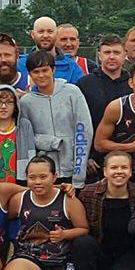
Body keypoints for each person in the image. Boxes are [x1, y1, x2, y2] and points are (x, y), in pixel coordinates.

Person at [0, 155, 89, 270]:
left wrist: (65, 234)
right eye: (32, 177)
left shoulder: (68, 200)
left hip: (60, 260)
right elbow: (5, 219)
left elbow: (84, 229)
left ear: (54, 176)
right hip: (29, 257)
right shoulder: (19, 199)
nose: (38, 182)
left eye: (43, 177)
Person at [79, 151, 135, 270]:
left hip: (127, 253)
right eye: (114, 167)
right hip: (100, 250)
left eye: (124, 167)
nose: (119, 171)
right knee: (82, 243)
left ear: (131, 171)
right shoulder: (88, 193)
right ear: (105, 171)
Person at [18, 50, 92, 184]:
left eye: (45, 70)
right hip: (44, 173)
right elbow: (26, 136)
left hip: (71, 168)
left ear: (53, 70)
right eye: (36, 72)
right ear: (29, 74)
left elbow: (84, 130)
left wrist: (79, 175)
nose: (41, 75)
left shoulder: (72, 92)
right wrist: (51, 142)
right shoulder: (25, 102)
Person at [75, 36, 134, 157]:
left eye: (116, 52)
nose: (111, 57)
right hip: (94, 158)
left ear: (125, 55)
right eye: (107, 52)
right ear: (99, 55)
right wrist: (86, 157)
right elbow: (77, 122)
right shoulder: (84, 84)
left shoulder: (133, 85)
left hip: (130, 154)